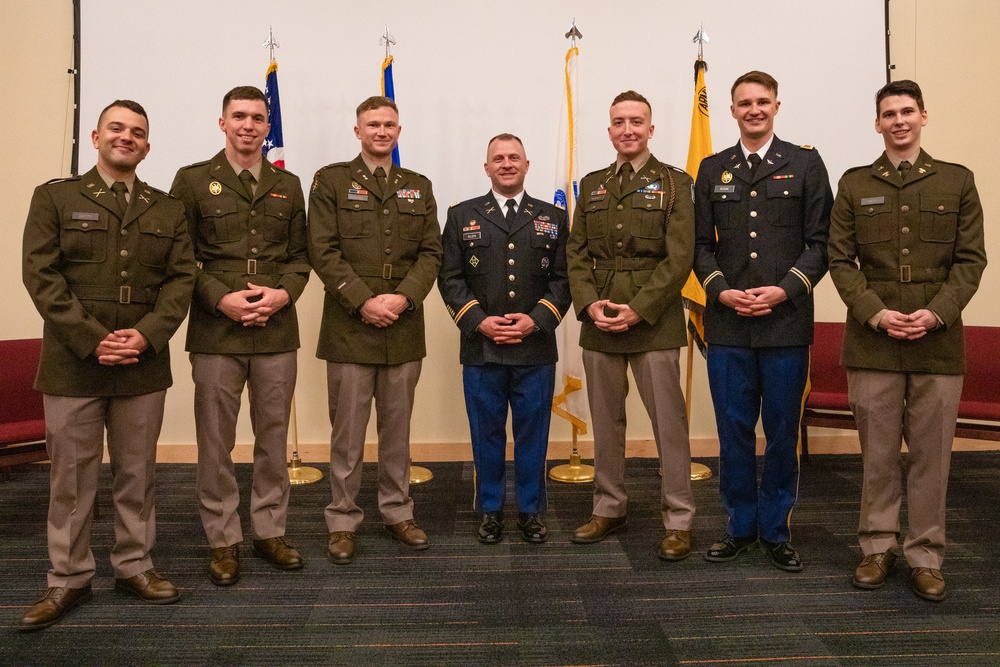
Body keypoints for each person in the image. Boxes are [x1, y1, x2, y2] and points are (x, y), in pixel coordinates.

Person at [20, 100, 195, 630]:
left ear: (147, 145)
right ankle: (68, 577)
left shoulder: (166, 209)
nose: (127, 137)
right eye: (117, 128)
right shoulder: (55, 197)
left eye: (137, 132)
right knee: (71, 478)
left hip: (141, 361)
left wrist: (145, 335)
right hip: (75, 363)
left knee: (136, 473)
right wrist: (94, 339)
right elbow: (41, 275)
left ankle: (134, 565)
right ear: (96, 135)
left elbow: (180, 280)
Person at [828, 79, 986, 600]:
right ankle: (876, 547)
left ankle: (925, 554)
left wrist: (936, 315)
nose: (898, 120)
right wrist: (875, 314)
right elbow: (839, 261)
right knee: (877, 455)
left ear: (923, 117)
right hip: (873, 343)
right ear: (877, 123)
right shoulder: (853, 184)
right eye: (889, 113)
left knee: (931, 456)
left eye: (907, 111)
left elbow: (970, 262)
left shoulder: (956, 182)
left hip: (937, 344)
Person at [170, 86, 311, 585]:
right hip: (215, 330)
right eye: (239, 116)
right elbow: (179, 258)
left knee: (273, 439)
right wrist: (219, 299)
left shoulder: (288, 184)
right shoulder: (191, 182)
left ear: (267, 126)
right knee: (216, 441)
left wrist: (283, 295)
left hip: (276, 330)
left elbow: (301, 258)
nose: (248, 125)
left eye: (257, 117)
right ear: (222, 122)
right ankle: (223, 539)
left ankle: (270, 530)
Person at [694, 71, 833, 572]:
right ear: (731, 110)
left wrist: (786, 288)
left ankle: (776, 530)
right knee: (732, 432)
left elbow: (822, 243)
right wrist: (722, 292)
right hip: (729, 324)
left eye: (762, 102)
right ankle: (738, 526)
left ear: (777, 106)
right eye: (744, 103)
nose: (754, 110)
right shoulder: (712, 169)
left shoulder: (805, 162)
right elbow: (700, 247)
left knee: (780, 432)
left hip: (785, 324)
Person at [308, 96, 443, 564]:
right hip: (350, 328)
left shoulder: (418, 186)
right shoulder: (331, 181)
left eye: (388, 125)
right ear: (357, 131)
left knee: (398, 430)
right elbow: (322, 249)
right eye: (372, 125)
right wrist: (363, 301)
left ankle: (397, 512)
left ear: (399, 131)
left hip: (403, 327)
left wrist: (402, 297)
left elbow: (431, 253)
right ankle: (342, 519)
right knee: (346, 434)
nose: (381, 132)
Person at [566, 90, 696, 560]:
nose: (628, 129)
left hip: (654, 321)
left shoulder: (676, 183)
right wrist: (589, 305)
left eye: (636, 121)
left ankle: (678, 518)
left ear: (651, 128)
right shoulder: (594, 182)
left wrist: (639, 308)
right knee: (606, 421)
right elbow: (576, 252)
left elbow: (679, 257)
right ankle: (609, 505)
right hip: (600, 318)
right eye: (619, 121)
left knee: (669, 424)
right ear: (609, 129)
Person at [438, 134, 570, 544]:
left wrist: (536, 320)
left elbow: (565, 280)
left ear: (527, 164)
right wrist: (477, 321)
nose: (507, 163)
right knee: (486, 432)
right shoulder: (462, 215)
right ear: (487, 167)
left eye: (514, 157)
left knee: (534, 433)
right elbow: (450, 278)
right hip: (482, 348)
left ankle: (531, 509)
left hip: (535, 347)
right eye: (498, 158)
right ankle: (490, 509)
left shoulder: (553, 216)